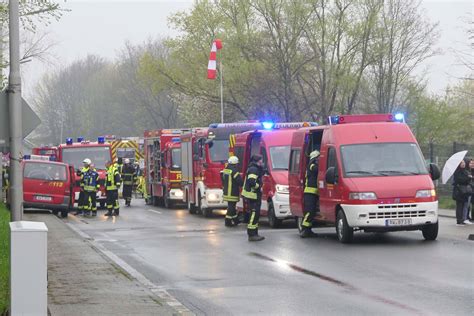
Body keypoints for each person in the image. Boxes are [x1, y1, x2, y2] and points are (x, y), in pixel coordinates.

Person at [242, 155, 265, 241]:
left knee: (255, 214)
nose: (262, 162)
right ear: (258, 161)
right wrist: (259, 186)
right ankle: (252, 234)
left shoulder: (254, 168)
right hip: (252, 195)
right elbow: (252, 182)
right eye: (261, 160)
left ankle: (255, 233)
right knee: (254, 214)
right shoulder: (253, 169)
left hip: (254, 195)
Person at [301, 150, 320, 238]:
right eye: (318, 157)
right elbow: (316, 169)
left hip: (313, 192)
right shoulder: (311, 165)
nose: (319, 159)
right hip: (309, 192)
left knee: (312, 212)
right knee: (309, 211)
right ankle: (304, 229)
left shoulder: (312, 164)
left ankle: (308, 230)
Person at [222, 156, 243, 227]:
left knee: (232, 206)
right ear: (235, 163)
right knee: (231, 206)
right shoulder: (234, 171)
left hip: (226, 192)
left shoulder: (225, 170)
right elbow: (239, 181)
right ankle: (227, 221)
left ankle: (235, 220)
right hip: (232, 192)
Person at [452, 158, 473, 226]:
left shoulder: (465, 171)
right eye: (461, 163)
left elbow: (466, 181)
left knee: (464, 205)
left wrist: (468, 178)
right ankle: (459, 221)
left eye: (463, 162)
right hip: (459, 191)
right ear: (459, 164)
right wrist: (468, 178)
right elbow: (460, 180)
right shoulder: (457, 172)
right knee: (459, 206)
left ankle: (463, 219)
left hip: (464, 191)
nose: (463, 164)